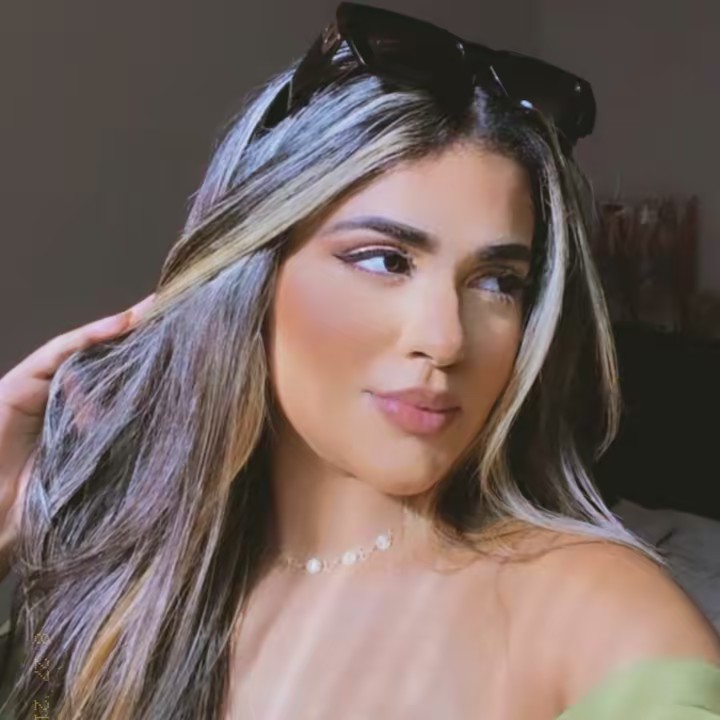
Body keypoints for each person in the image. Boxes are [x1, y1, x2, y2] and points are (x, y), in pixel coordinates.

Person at [1, 3, 719, 718]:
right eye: (384, 260)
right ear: (249, 273)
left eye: (497, 281)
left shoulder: (598, 622)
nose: (446, 340)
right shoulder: (121, 597)